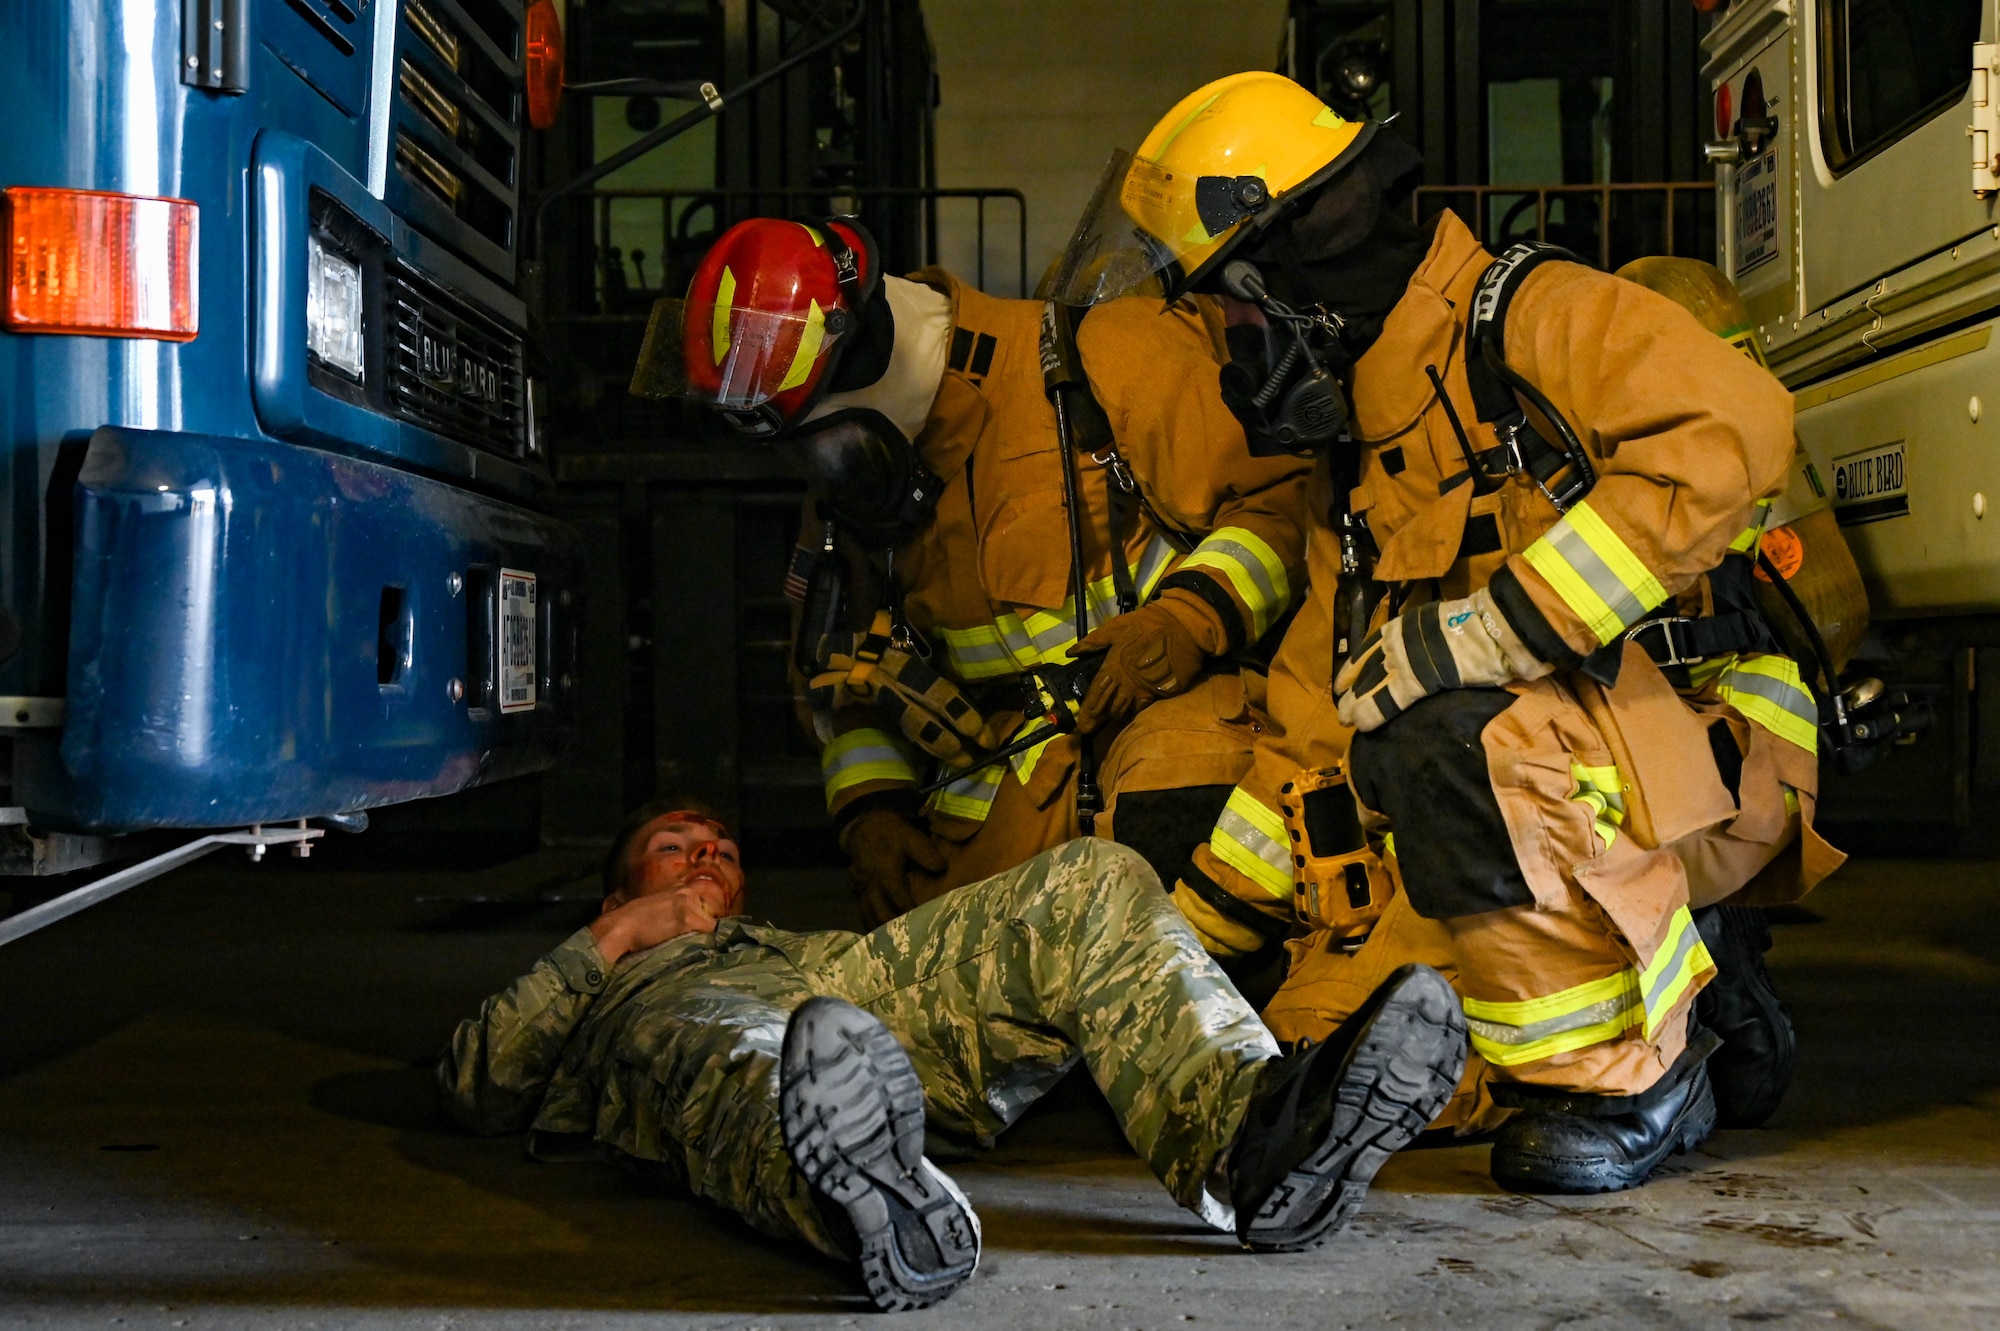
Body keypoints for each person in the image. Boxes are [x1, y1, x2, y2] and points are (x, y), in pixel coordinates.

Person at [1079, 71, 1843, 1193]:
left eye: (1231, 316)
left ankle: (1630, 1081)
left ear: (1294, 266)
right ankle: (1694, 986)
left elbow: (1734, 427)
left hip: (1708, 746)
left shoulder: (1530, 314)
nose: (1232, 352)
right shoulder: (1356, 450)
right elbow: (1312, 718)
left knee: (1441, 743)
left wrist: (1496, 628)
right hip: (1562, 767)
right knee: (1329, 1035)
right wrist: (1197, 937)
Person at [437, 801, 1468, 1311]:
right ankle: (878, 1203)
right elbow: (480, 1076)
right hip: (708, 1011)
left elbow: (875, 977)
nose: (707, 855)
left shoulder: (798, 943)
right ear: (616, 887)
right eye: (676, 845)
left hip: (845, 988)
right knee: (747, 1050)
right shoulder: (613, 972)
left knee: (1091, 878)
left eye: (721, 849)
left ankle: (1252, 1143)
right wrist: (627, 933)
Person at [636, 218, 1313, 926]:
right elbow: (840, 674)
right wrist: (874, 808)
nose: (822, 467)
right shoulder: (856, 486)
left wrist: (1183, 621)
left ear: (864, 351)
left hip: (1154, 741)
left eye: (820, 437)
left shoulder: (1102, 358)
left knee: (1177, 781)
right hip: (986, 819)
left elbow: (1282, 506)